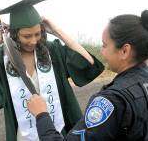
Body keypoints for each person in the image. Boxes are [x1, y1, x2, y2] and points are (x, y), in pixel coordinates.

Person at [27, 10, 148, 141]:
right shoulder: (142, 82)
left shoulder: (111, 101)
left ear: (124, 51)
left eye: (104, 45)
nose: (101, 51)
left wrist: (41, 115)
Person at [0, 0, 104, 141]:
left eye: (37, 34)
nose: (34, 41)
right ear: (15, 34)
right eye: (27, 36)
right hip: (23, 136)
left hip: (57, 131)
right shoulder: (3, 58)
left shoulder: (51, 51)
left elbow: (88, 63)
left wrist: (57, 31)